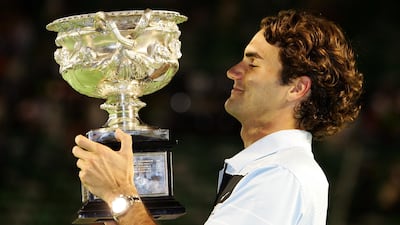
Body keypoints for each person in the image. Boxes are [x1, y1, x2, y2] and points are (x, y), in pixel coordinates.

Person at [72, 9, 363, 225]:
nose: (233, 72)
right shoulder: (277, 170)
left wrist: (120, 195)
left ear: (296, 88)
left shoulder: (280, 176)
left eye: (253, 64)